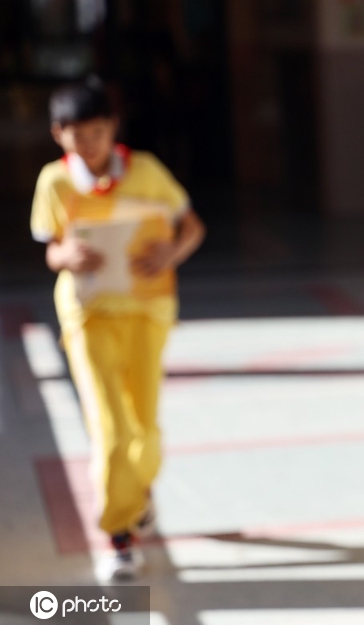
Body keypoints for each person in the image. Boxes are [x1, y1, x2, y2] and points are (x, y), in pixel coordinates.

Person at [30, 76, 206, 580]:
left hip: (147, 312)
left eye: (98, 132)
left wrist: (170, 251)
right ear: (58, 134)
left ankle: (138, 491)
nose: (89, 145)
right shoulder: (54, 183)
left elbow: (191, 226)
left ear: (114, 129)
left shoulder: (147, 171)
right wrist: (67, 255)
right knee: (110, 428)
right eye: (76, 134)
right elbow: (50, 249)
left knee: (144, 429)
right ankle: (119, 534)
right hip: (88, 314)